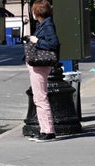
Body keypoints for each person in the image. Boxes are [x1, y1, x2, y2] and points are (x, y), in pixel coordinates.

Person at [26, 0, 60, 142]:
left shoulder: (47, 25)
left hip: (40, 65)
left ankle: (48, 131)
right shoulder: (42, 24)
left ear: (37, 12)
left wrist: (36, 41)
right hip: (37, 65)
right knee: (38, 97)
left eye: (34, 11)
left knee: (40, 98)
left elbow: (54, 43)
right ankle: (44, 130)